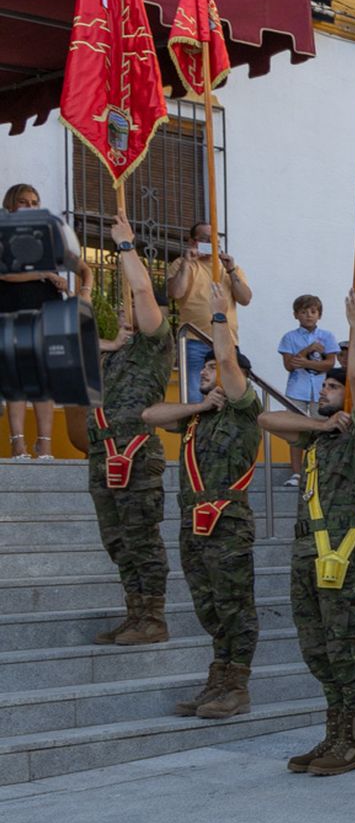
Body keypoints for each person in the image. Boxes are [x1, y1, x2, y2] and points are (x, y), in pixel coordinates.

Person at [260, 291, 355, 777]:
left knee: (342, 645)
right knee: (314, 645)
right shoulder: (317, 433)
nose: (327, 392)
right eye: (326, 389)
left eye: (333, 389)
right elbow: (267, 418)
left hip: (342, 554)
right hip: (306, 553)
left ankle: (354, 738)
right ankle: (333, 730)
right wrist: (319, 421)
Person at [141, 283, 261, 718]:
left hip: (227, 520)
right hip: (193, 521)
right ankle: (219, 677)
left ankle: (237, 686)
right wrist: (196, 407)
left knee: (235, 605)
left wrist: (218, 317)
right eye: (205, 368)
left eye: (211, 369)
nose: (207, 372)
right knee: (207, 604)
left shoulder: (245, 409)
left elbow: (229, 360)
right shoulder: (199, 417)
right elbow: (150, 415)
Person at [89, 214, 174, 646]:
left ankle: (154, 617)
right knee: (116, 538)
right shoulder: (118, 352)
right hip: (103, 452)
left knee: (141, 536)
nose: (127, 309)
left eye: (134, 307)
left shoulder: (158, 341)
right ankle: (134, 610)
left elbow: (142, 289)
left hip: (136, 452)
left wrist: (125, 246)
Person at [1, 183, 64, 458]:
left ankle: (45, 443)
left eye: (35, 201)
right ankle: (18, 443)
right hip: (13, 308)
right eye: (25, 201)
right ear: (12, 204)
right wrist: (44, 275)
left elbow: (60, 267)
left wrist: (59, 279)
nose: (31, 206)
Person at [169, 221, 252, 403]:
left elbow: (245, 299)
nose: (211, 244)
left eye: (215, 240)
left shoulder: (231, 269)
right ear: (192, 242)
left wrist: (230, 270)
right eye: (205, 239)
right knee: (194, 393)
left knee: (230, 393)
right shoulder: (182, 264)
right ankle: (195, 430)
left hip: (227, 340)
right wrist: (186, 262)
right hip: (194, 341)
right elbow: (176, 293)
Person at [278, 294, 339, 487]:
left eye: (313, 312)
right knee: (295, 428)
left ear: (319, 314)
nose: (308, 316)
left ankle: (320, 470)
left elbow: (330, 363)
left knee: (322, 428)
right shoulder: (289, 337)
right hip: (297, 389)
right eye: (303, 312)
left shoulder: (327, 336)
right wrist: (307, 350)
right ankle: (296, 472)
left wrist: (304, 362)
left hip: (321, 391)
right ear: (296, 314)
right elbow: (289, 365)